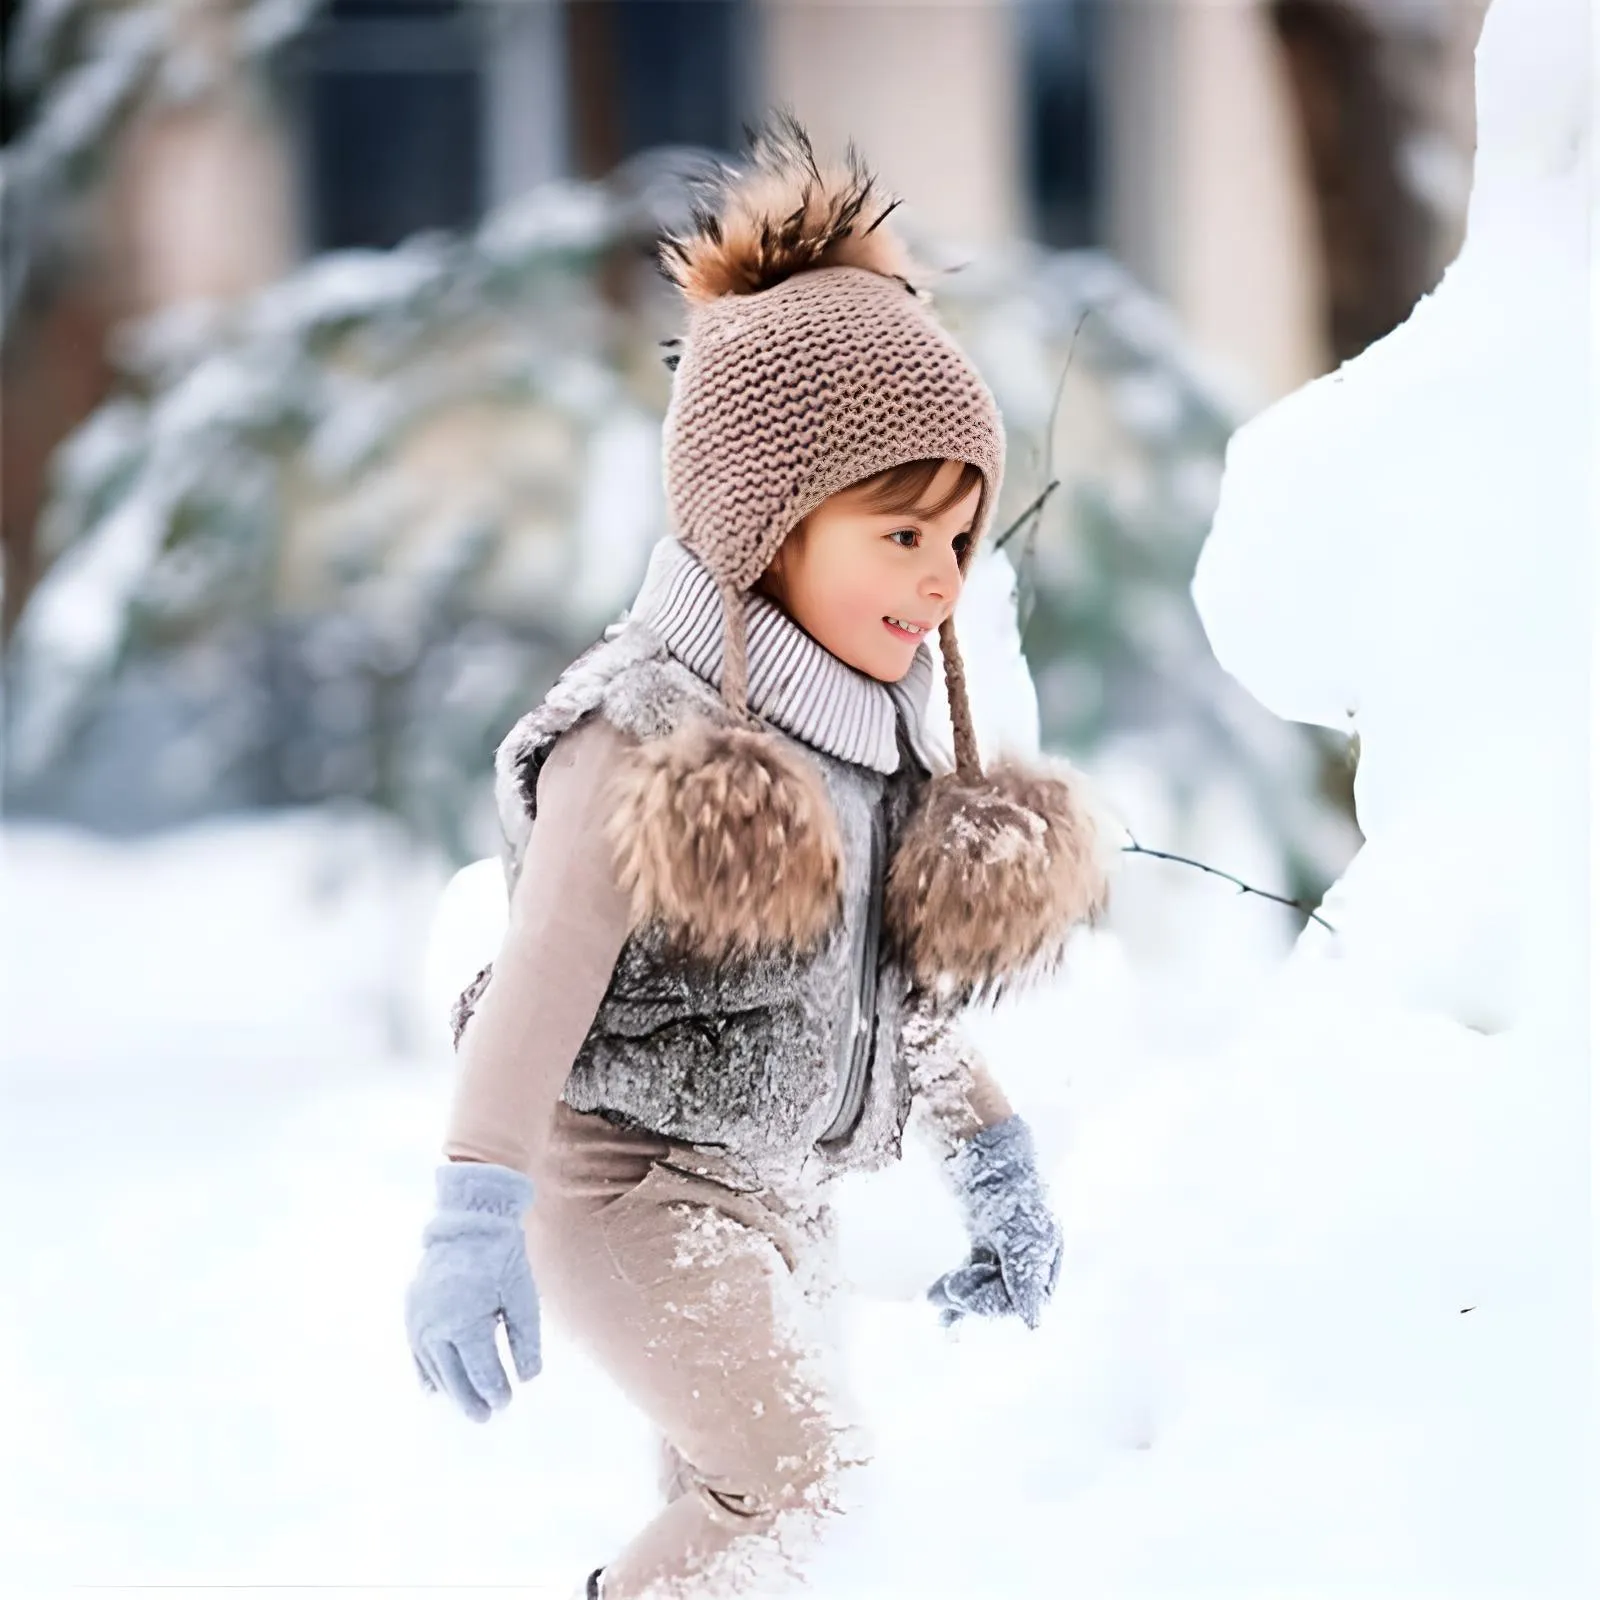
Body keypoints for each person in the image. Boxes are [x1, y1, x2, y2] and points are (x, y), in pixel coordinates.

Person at [403, 112, 1122, 1600]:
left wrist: (995, 1162)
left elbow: (888, 996)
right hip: (620, 1188)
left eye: (961, 542)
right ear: (769, 522)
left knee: (756, 1528)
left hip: (779, 1191)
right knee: (803, 1493)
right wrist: (471, 1215)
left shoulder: (872, 736)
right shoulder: (644, 737)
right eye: (901, 533)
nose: (940, 580)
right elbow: (535, 982)